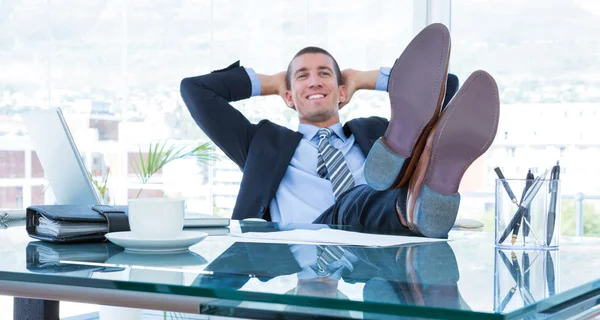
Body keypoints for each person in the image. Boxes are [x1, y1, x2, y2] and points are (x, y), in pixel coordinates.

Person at [180, 23, 500, 238]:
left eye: (324, 74)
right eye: (303, 76)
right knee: (358, 200)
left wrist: (362, 77)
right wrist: (273, 82)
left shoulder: (375, 133)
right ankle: (421, 198)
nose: (315, 81)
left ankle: (418, 195)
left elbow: (444, 88)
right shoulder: (261, 144)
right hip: (299, 260)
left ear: (342, 91)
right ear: (288, 96)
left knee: (380, 187)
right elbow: (195, 90)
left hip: (380, 251)